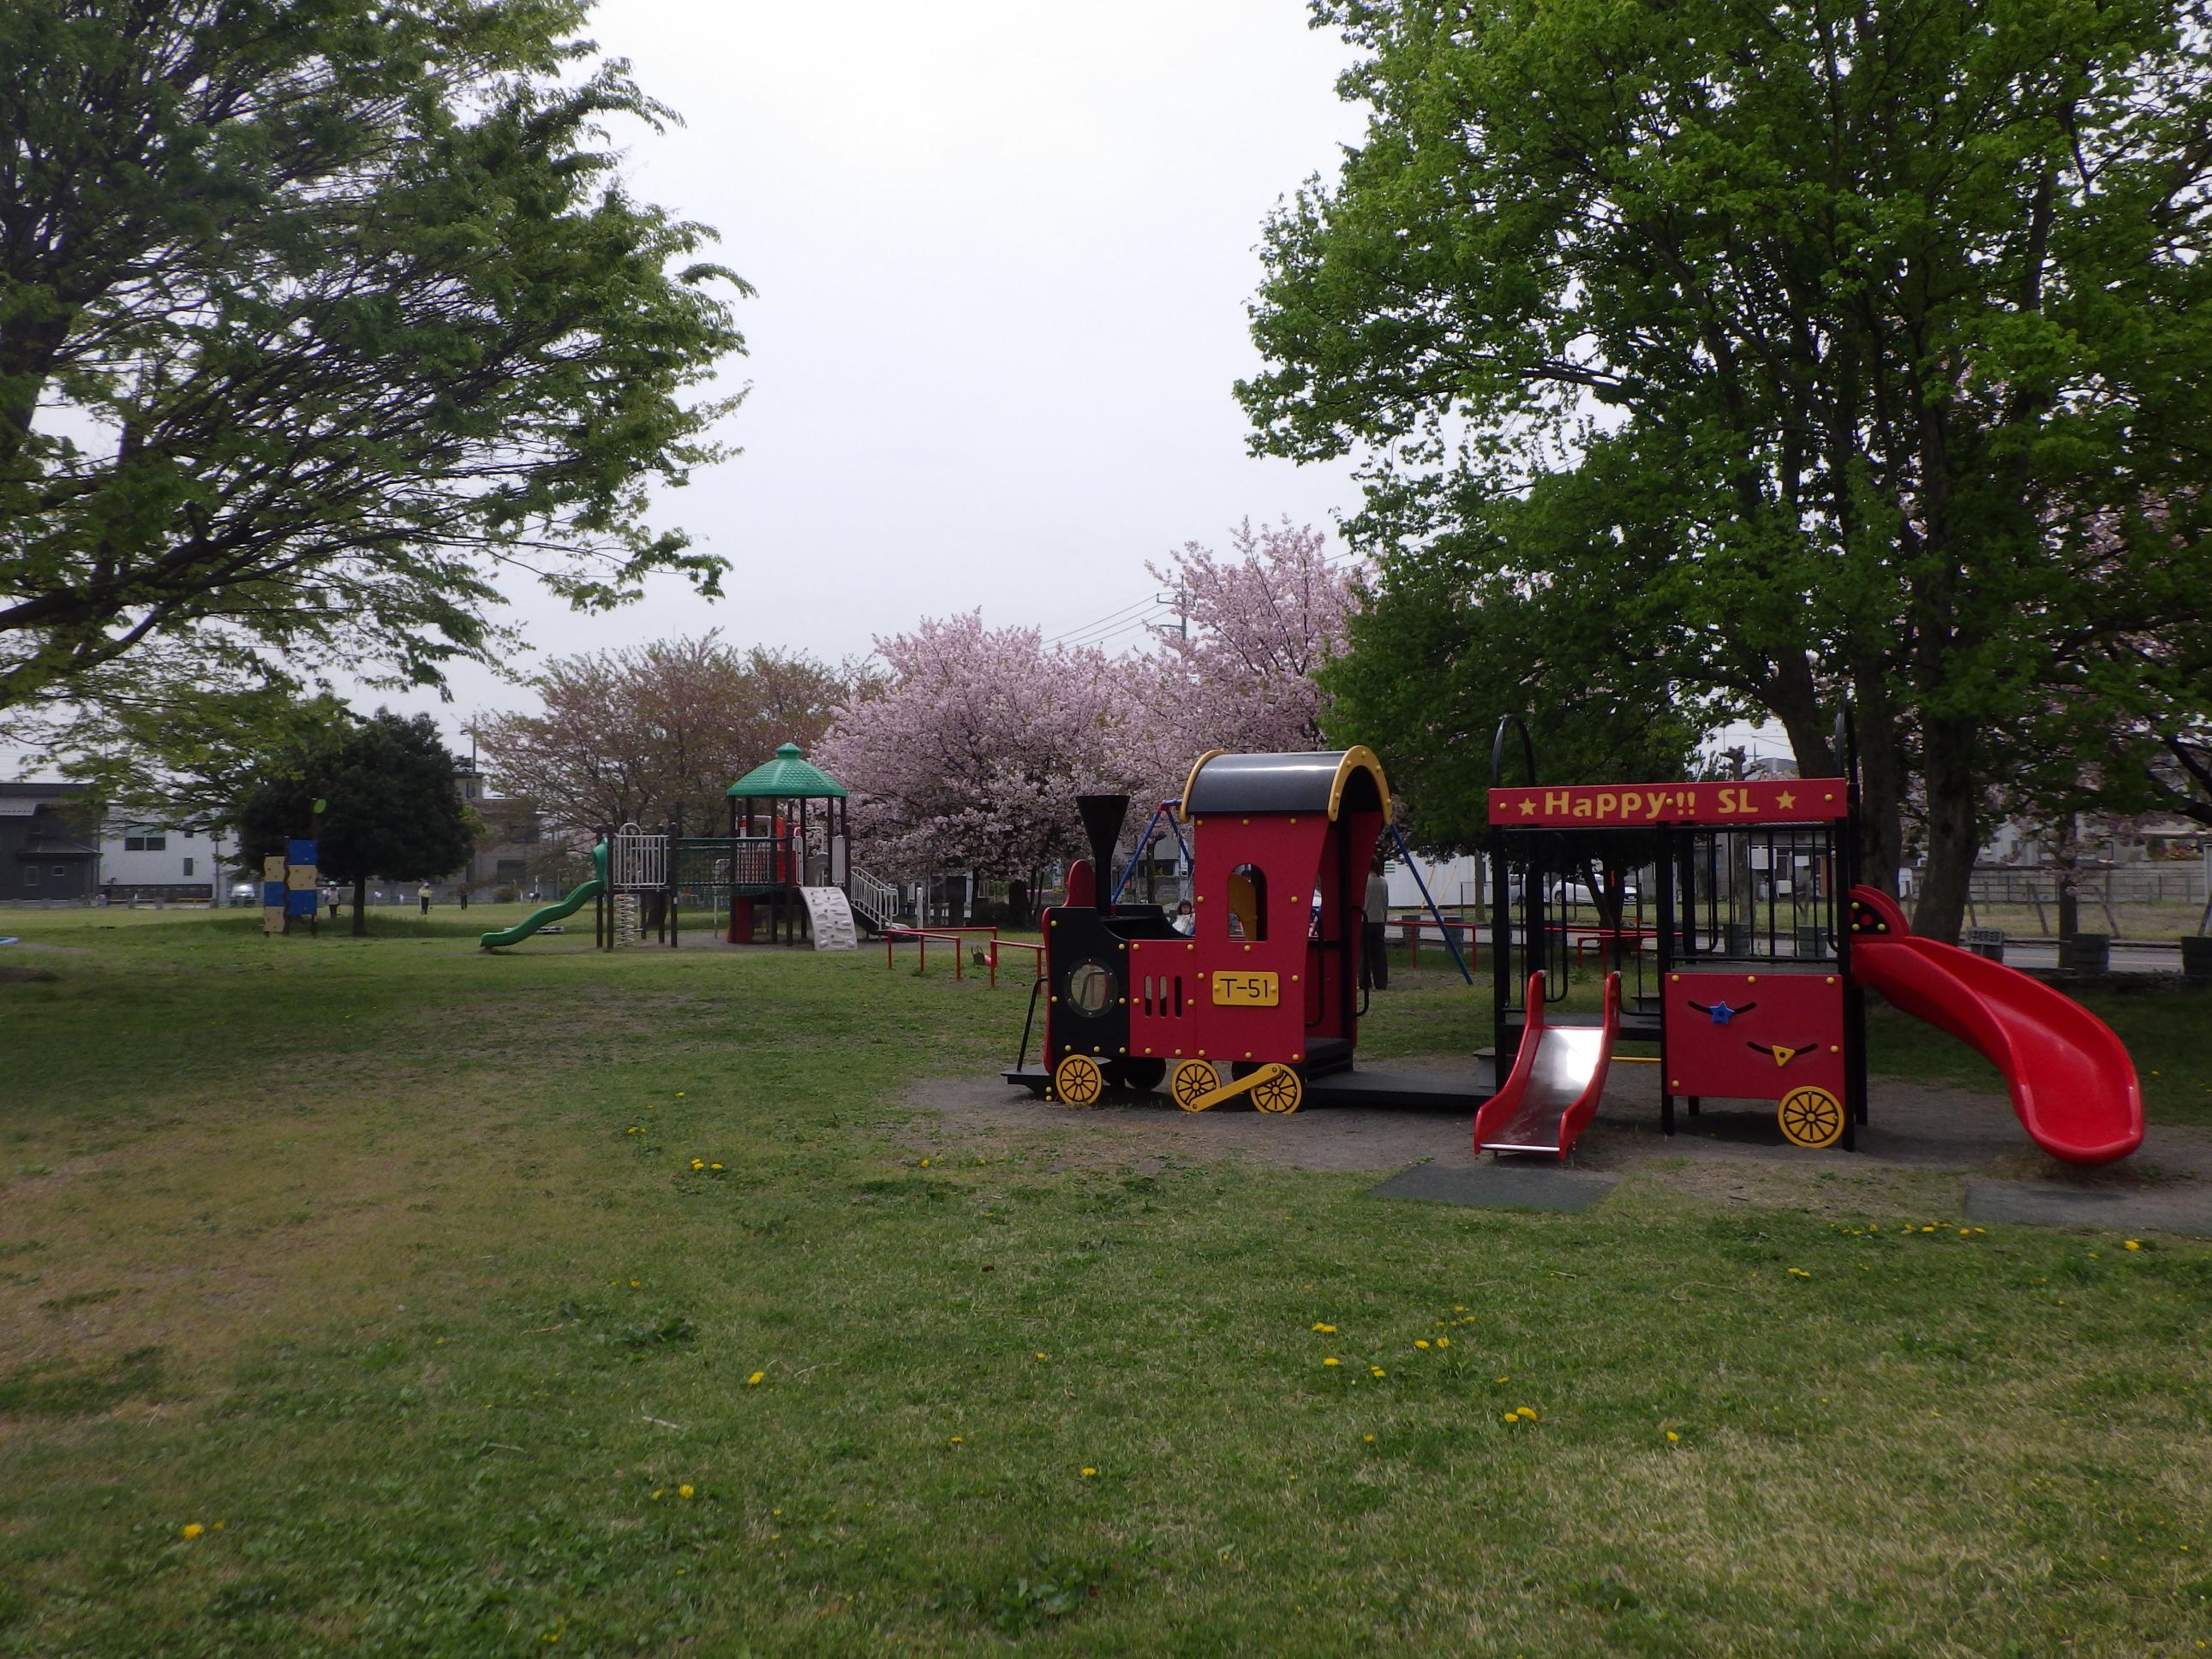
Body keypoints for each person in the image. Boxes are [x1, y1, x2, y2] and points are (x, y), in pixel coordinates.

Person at [1360, 857, 1390, 992]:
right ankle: (1381, 982)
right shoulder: (1383, 882)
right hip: (1379, 920)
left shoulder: (1364, 882)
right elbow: (1385, 902)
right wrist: (1384, 919)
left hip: (1364, 920)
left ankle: (1365, 982)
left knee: (1364, 953)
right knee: (1379, 953)